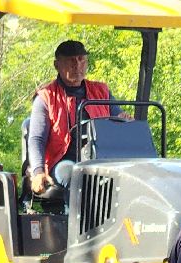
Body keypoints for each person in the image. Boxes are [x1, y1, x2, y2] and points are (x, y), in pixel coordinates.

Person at [26, 39, 120, 197]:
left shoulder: (102, 91)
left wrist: (124, 120)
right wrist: (38, 171)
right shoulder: (45, 97)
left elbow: (119, 121)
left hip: (100, 159)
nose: (77, 66)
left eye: (81, 60)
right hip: (62, 161)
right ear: (57, 65)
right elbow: (36, 139)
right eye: (71, 61)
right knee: (75, 174)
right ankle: (77, 221)